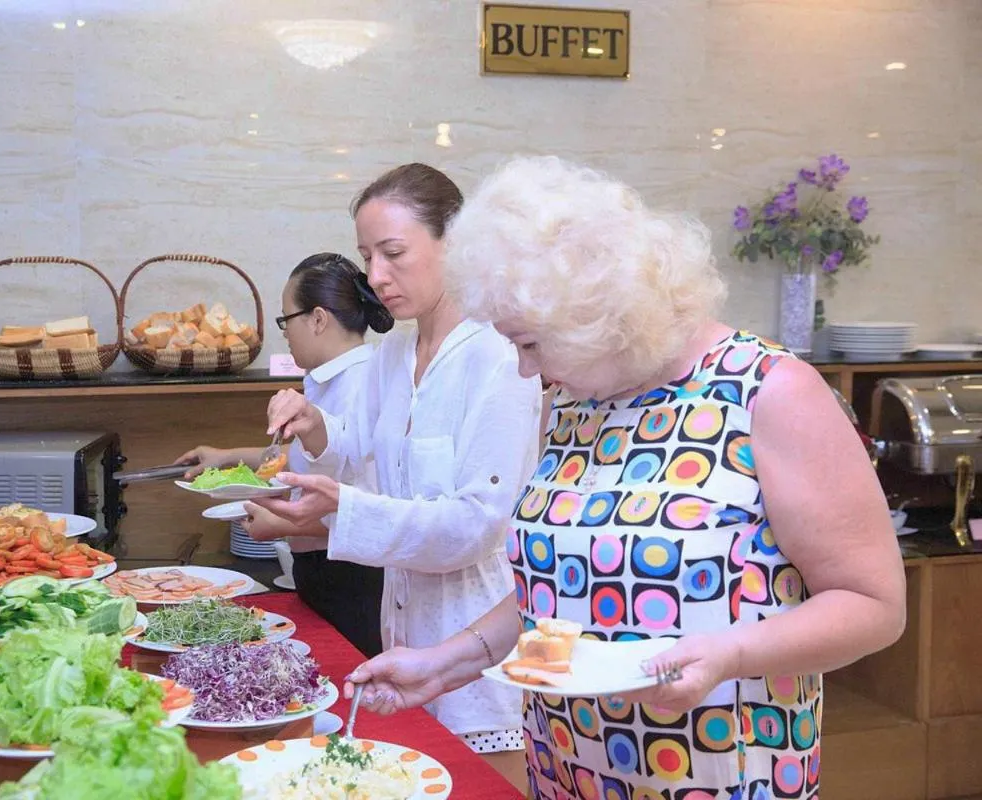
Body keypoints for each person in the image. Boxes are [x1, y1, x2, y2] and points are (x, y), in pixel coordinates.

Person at [342, 156, 907, 799]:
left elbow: (873, 606)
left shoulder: (766, 393)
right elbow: (554, 590)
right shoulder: (579, 400)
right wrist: (445, 664)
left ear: (602, 313)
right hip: (565, 765)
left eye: (530, 344)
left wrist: (730, 655)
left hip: (716, 771)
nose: (526, 372)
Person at [256, 163, 544, 779]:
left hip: (483, 647)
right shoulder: (391, 353)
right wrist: (311, 421)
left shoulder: (499, 356)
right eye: (367, 257)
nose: (376, 277)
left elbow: (478, 525)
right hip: (403, 631)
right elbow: (356, 448)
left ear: (456, 242)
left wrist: (339, 511)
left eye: (393, 253)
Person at [175, 252, 393, 656]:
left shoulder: (363, 384)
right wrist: (224, 456)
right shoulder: (328, 378)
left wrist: (284, 523)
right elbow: (300, 458)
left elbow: (373, 507)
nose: (285, 334)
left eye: (285, 320)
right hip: (324, 572)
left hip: (354, 579)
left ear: (318, 319)